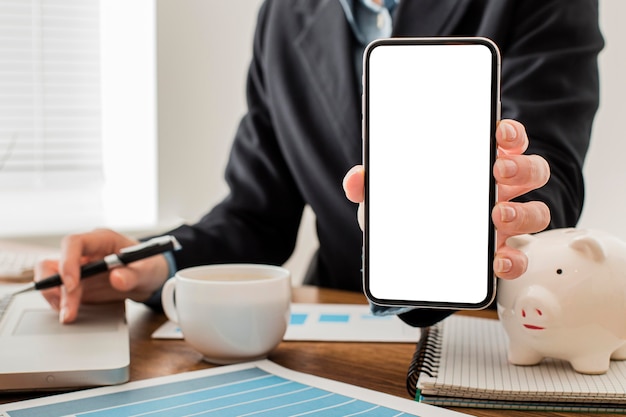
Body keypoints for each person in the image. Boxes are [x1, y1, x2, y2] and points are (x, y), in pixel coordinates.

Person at [36, 0, 603, 327]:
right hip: (339, 319)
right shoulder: (283, 15)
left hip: (496, 327)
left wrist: (507, 204)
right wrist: (145, 267)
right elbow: (256, 216)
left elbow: (546, 166)